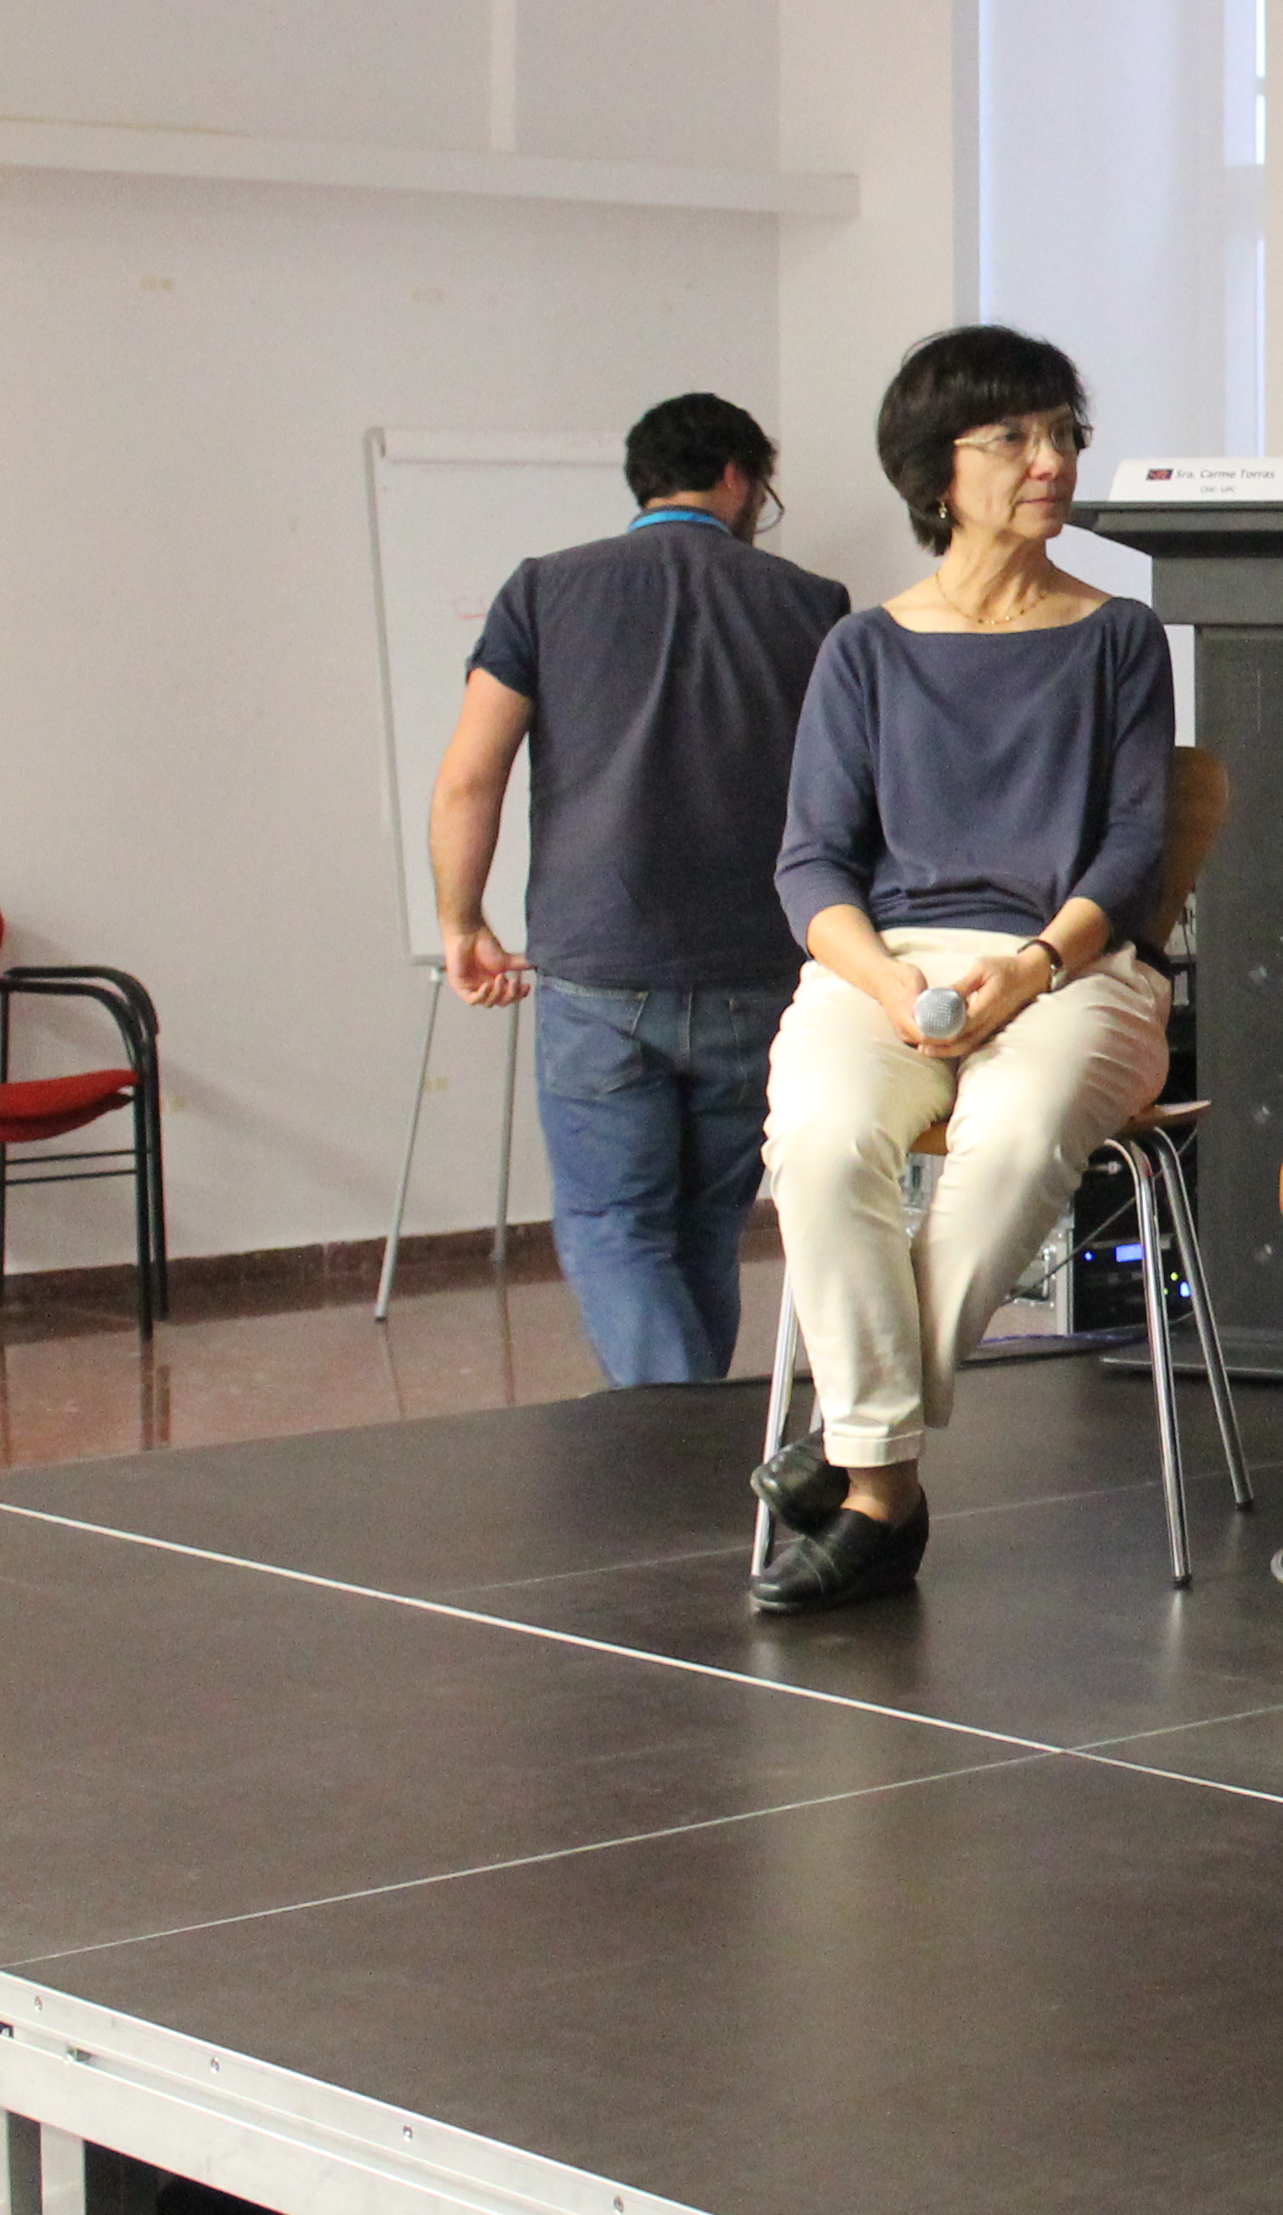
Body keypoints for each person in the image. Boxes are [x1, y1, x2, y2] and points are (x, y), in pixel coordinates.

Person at [747, 327, 1180, 1616]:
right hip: (887, 965)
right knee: (820, 1138)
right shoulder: (865, 649)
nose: (1053, 462)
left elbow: (1135, 848)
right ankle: (877, 1476)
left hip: (1074, 966)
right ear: (937, 469)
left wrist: (1034, 967)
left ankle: (861, 1462)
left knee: (1021, 1130)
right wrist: (887, 985)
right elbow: (811, 864)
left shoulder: (1118, 637)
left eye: (1064, 435)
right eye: (1016, 439)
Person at [429, 394, 846, 1390]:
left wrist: (460, 919)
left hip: (599, 968)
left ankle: (680, 1441)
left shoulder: (544, 590)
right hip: (760, 965)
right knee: (707, 1224)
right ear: (739, 477)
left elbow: (469, 778)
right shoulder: (812, 604)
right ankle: (697, 1446)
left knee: (614, 1224)